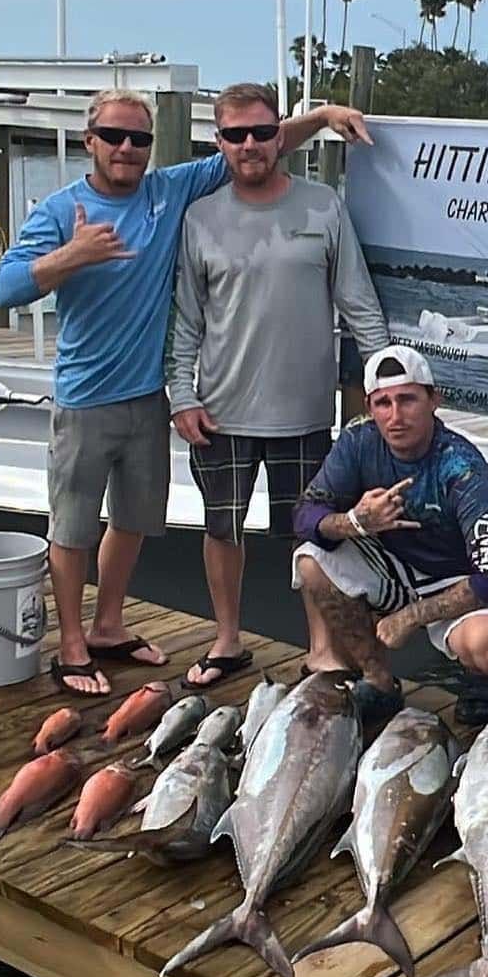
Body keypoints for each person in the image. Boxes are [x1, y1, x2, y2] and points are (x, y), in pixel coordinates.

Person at [0, 87, 369, 696]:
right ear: (89, 141)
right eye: (113, 137)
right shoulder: (64, 210)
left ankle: (109, 626)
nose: (126, 149)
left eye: (139, 139)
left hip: (150, 398)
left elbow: (256, 146)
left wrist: (323, 118)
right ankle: (69, 645)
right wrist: (73, 255)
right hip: (85, 398)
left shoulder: (168, 193)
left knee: (135, 520)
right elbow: (6, 289)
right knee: (72, 528)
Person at [168, 83, 390, 689]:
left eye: (262, 132)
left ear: (280, 137)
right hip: (221, 412)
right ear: (219, 142)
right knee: (222, 531)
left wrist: (383, 384)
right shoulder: (199, 217)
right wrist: (180, 397)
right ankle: (227, 640)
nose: (250, 145)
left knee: (313, 537)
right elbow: (186, 320)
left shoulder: (324, 207)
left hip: (306, 414)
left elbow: (360, 306)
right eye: (235, 134)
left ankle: (320, 647)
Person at [291, 346, 488, 728]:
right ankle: (378, 681)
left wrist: (411, 617)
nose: (395, 416)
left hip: (464, 575)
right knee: (311, 558)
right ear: (370, 406)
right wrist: (355, 522)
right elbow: (304, 515)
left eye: (407, 399)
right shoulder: (358, 442)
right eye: (383, 403)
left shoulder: (462, 466)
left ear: (434, 399)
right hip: (403, 567)